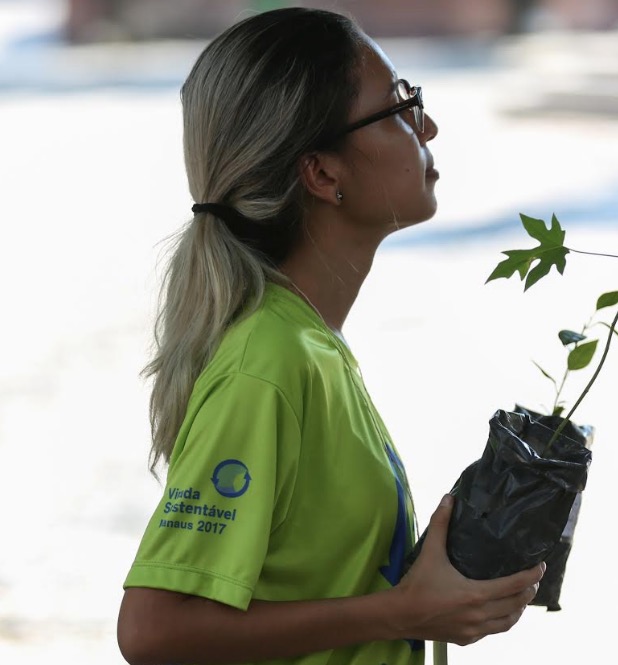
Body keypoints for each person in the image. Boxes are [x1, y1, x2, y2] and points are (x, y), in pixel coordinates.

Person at [116, 7, 544, 665]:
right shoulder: (269, 361)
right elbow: (155, 631)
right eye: (401, 107)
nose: (427, 127)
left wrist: (436, 574)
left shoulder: (309, 340)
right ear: (321, 174)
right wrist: (405, 609)